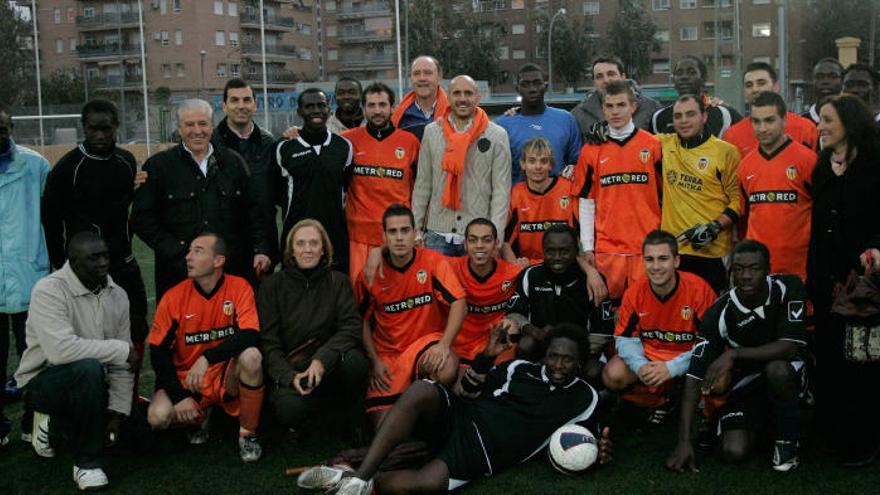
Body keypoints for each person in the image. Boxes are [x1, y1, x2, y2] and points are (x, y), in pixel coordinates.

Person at [298, 323, 611, 495]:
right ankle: (358, 479)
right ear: (545, 355)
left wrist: (600, 451)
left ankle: (353, 479)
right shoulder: (519, 368)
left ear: (580, 362)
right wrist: (487, 358)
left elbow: (588, 441)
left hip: (482, 454)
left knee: (426, 485)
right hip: (463, 416)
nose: (557, 365)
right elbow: (469, 390)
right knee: (422, 389)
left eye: (567, 359)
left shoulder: (585, 399)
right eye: (553, 356)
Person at [666, 240, 807, 473]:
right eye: (739, 269)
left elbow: (790, 346)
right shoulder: (719, 312)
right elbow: (694, 375)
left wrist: (734, 353)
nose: (746, 276)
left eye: (754, 268)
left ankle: (787, 440)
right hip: (745, 385)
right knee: (733, 451)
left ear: (768, 269)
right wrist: (684, 441)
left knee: (778, 370)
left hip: (788, 373)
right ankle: (760, 422)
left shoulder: (789, 287)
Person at [15, 232, 139, 490]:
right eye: (94, 258)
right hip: (44, 383)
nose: (103, 262)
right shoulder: (48, 290)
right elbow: (61, 352)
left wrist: (117, 412)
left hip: (92, 384)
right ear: (73, 262)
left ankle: (53, 425)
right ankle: (87, 465)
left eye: (105, 255)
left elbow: (124, 364)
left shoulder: (118, 295)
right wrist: (120, 350)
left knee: (142, 437)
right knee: (88, 368)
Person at [42, 99, 150, 382]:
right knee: (89, 332)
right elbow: (50, 220)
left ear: (116, 126)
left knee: (137, 322)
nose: (100, 136)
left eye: (106, 129)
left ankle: (128, 392)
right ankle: (96, 394)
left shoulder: (125, 161)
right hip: (84, 268)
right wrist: (59, 262)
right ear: (84, 129)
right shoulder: (68, 168)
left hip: (123, 260)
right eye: (93, 130)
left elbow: (128, 207)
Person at [131, 99, 272, 299]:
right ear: (179, 129)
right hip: (178, 276)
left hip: (230, 273)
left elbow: (253, 211)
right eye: (189, 125)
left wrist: (260, 249)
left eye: (203, 124)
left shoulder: (233, 163)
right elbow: (142, 219)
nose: (197, 131)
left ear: (212, 126)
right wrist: (177, 252)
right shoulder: (158, 167)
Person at [147, 233, 265, 462]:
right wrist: (179, 396)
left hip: (223, 374)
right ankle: (200, 418)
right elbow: (158, 352)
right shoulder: (173, 296)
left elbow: (251, 334)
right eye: (189, 250)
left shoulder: (239, 287)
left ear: (218, 261)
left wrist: (207, 358)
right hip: (188, 377)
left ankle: (247, 434)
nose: (188, 257)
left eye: (198, 251)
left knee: (252, 357)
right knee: (157, 417)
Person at [808, 94, 880, 466]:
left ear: (849, 123)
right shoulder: (822, 166)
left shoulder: (873, 164)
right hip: (826, 282)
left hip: (865, 286)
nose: (820, 126)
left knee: (862, 359)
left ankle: (864, 438)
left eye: (828, 120)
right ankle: (833, 432)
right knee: (832, 357)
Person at [356, 204, 466, 424]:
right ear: (383, 235)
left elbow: (459, 303)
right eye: (393, 232)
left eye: (405, 230)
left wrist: (444, 344)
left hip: (426, 345)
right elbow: (360, 320)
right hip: (389, 356)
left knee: (446, 367)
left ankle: (436, 416)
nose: (399, 238)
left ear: (415, 233)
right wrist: (375, 360)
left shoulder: (433, 261)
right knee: (382, 427)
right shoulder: (370, 272)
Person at [258, 219, 368, 438]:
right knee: (290, 410)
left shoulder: (338, 282)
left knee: (355, 362)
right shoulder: (271, 286)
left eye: (314, 243)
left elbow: (351, 327)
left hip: (328, 365)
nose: (307, 249)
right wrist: (290, 376)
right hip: (294, 367)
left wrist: (321, 360)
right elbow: (269, 343)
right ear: (291, 251)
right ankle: (311, 416)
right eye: (300, 244)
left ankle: (356, 423)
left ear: (323, 249)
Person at [602, 230, 716, 421]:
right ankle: (659, 402)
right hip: (651, 355)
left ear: (676, 261)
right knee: (614, 374)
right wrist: (640, 366)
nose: (656, 266)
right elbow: (624, 338)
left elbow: (711, 343)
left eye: (663, 258)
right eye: (649, 259)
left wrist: (672, 368)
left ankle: (707, 414)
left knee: (719, 379)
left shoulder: (699, 290)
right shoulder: (635, 292)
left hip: (689, 356)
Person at [573, 80, 663, 303]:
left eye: (621, 105)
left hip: (646, 248)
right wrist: (588, 246)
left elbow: (665, 196)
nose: (615, 111)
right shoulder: (591, 149)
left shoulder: (653, 146)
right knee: (607, 319)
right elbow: (586, 200)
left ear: (633, 107)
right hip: (608, 251)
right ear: (602, 108)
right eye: (609, 106)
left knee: (646, 312)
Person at [411, 75, 511, 257]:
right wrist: (416, 228)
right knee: (437, 286)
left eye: (468, 93)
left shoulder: (497, 135)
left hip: (478, 236)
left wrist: (496, 233)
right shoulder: (432, 132)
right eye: (457, 93)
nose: (463, 99)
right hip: (436, 234)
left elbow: (501, 190)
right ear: (448, 97)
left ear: (478, 97)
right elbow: (423, 184)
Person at [503, 224, 615, 382]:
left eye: (564, 251)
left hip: (580, 352)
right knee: (526, 344)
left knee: (594, 371)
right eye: (550, 251)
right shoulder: (531, 275)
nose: (556, 257)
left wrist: (568, 356)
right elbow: (514, 313)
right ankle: (526, 389)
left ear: (576, 253)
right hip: (542, 346)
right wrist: (535, 332)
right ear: (543, 250)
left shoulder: (593, 282)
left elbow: (602, 332)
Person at [0, 104, 50, 441]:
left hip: (31, 276)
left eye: (2, 127)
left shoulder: (35, 166)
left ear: (11, 127)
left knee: (34, 353)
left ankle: (33, 421)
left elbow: (54, 214)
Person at [659, 95, 741, 294]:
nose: (684, 120)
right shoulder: (664, 144)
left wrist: (714, 226)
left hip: (712, 251)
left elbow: (739, 200)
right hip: (674, 250)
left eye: (690, 114)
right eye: (678, 116)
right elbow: (631, 139)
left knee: (710, 315)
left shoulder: (726, 152)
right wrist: (602, 130)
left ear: (704, 116)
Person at [342, 82, 420, 279]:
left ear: (393, 108)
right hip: (359, 236)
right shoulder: (347, 141)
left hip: (397, 235)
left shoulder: (410, 142)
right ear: (364, 108)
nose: (377, 111)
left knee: (396, 297)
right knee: (361, 297)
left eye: (383, 105)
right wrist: (295, 132)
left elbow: (421, 189)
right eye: (371, 105)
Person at [270, 88, 354, 273]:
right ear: (300, 112)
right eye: (309, 106)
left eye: (321, 105)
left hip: (335, 238)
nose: (316, 110)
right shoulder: (283, 149)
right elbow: (275, 192)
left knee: (335, 294)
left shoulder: (344, 147)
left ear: (329, 111)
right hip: (297, 237)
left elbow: (346, 186)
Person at [737, 92, 817, 281]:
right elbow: (747, 214)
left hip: (799, 270)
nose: (762, 128)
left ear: (784, 120)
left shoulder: (807, 161)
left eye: (769, 120)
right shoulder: (745, 166)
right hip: (758, 273)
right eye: (756, 122)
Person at [212, 78, 278, 259]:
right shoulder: (211, 145)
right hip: (224, 246)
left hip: (264, 245)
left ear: (255, 105)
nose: (241, 106)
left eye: (247, 100)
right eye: (234, 100)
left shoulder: (269, 143)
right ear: (224, 106)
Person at [450, 218, 522, 365]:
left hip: (494, 344)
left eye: (486, 240)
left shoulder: (512, 272)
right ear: (464, 244)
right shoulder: (449, 268)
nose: (479, 246)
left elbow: (548, 263)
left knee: (511, 325)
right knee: (456, 382)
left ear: (497, 244)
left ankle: (502, 369)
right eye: (473, 240)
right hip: (458, 347)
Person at [495, 63, 581, 182]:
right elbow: (497, 170)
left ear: (545, 86)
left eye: (537, 83)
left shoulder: (566, 119)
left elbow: (577, 162)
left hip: (559, 198)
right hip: (519, 199)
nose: (532, 89)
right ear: (517, 89)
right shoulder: (503, 124)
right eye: (525, 84)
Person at [501, 136, 578, 267]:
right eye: (532, 161)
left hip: (566, 265)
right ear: (523, 164)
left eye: (543, 161)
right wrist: (515, 265)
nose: (538, 167)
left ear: (551, 165)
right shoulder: (516, 193)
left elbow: (581, 235)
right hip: (529, 267)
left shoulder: (568, 188)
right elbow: (504, 241)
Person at [723, 63, 819, 156]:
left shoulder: (805, 128)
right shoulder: (733, 135)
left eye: (761, 83)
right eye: (749, 85)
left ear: (776, 87)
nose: (755, 89)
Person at [651, 56, 743, 137]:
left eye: (691, 72)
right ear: (673, 80)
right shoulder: (659, 117)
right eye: (679, 73)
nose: (684, 77)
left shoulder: (725, 114)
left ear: (703, 78)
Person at [571, 54, 662, 135]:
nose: (606, 80)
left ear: (623, 77)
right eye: (599, 76)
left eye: (611, 74)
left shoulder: (651, 108)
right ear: (594, 82)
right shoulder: (578, 115)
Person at [391, 56, 449, 141]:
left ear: (439, 77)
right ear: (411, 78)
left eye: (428, 73)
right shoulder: (400, 117)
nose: (422, 78)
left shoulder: (453, 113)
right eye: (416, 74)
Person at [801, 58, 844, 125]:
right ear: (812, 81)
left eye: (832, 76)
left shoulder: (852, 120)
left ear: (842, 81)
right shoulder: (800, 121)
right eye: (819, 77)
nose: (825, 81)